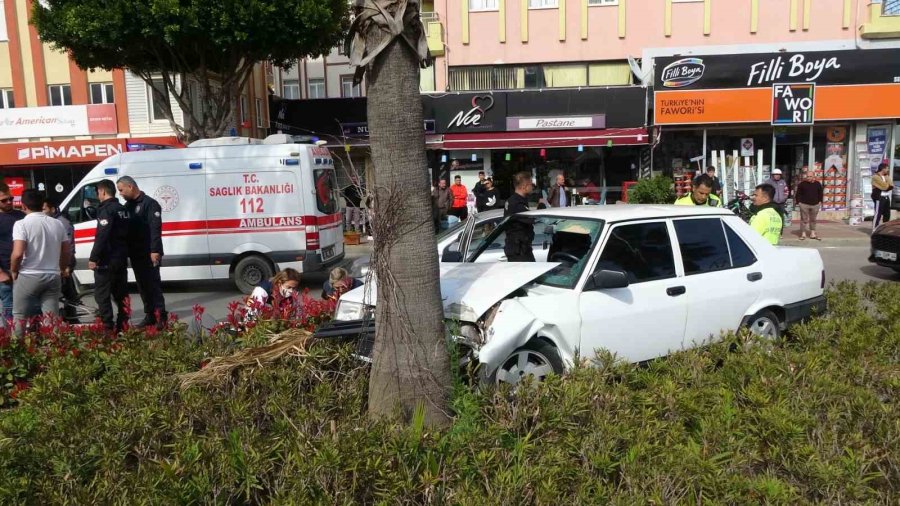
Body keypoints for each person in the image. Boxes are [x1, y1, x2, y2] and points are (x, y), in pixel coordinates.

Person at [9, 190, 69, 336]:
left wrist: (14, 270)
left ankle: (16, 351)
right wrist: (62, 268)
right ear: (42, 204)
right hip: (53, 275)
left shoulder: (21, 224)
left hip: (29, 273)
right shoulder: (57, 224)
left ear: (23, 206)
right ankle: (54, 351)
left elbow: (17, 253)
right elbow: (66, 251)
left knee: (20, 316)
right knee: (51, 318)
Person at [117, 176, 168, 328]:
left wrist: (155, 250)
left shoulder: (150, 204)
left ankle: (161, 317)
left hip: (149, 253)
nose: (120, 193)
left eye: (121, 190)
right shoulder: (128, 206)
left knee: (153, 285)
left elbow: (155, 229)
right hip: (136, 253)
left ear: (130, 187)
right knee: (142, 286)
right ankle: (150, 315)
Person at [88, 180, 132, 332]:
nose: (98, 196)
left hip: (107, 259)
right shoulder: (123, 209)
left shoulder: (107, 210)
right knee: (121, 294)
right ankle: (123, 325)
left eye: (98, 193)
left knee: (102, 295)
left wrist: (93, 258)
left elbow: (102, 235)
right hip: (121, 258)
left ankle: (107, 327)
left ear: (103, 192)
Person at [42, 197, 80, 319]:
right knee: (66, 290)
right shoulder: (51, 222)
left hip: (65, 261)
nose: (42, 212)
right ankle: (70, 314)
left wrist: (67, 266)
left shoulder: (62, 223)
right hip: (57, 261)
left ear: (52, 209)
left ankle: (72, 316)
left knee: (67, 290)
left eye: (44, 209)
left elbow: (68, 246)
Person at [0, 183, 25, 326]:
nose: (9, 202)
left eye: (10, 198)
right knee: (9, 308)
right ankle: (11, 342)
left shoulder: (20, 215)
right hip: (5, 270)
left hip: (24, 269)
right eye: (4, 200)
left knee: (29, 308)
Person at [504, 172, 536, 262]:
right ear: (524, 186)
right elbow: (531, 219)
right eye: (531, 184)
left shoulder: (513, 200)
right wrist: (541, 210)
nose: (532, 187)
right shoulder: (517, 203)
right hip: (519, 251)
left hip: (521, 249)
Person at [795, 169, 824, 240]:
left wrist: (820, 201)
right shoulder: (802, 184)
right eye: (807, 176)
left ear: (814, 176)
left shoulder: (817, 184)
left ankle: (812, 233)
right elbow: (798, 194)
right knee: (804, 220)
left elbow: (820, 193)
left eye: (810, 176)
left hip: (815, 205)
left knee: (813, 219)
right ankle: (803, 233)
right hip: (804, 204)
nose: (809, 178)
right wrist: (799, 202)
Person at [763, 168, 789, 233]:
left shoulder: (782, 182)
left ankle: (780, 232)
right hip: (772, 203)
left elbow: (786, 191)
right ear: (772, 175)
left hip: (781, 203)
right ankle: (771, 230)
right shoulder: (768, 182)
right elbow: (765, 192)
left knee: (780, 217)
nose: (777, 176)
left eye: (779, 175)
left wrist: (784, 198)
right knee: (771, 217)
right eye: (776, 174)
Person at [872, 162, 893, 228]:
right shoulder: (875, 177)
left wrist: (887, 179)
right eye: (887, 168)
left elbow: (891, 185)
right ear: (882, 169)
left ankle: (885, 229)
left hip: (886, 197)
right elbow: (885, 187)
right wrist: (888, 186)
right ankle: (874, 229)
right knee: (878, 214)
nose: (888, 170)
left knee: (887, 214)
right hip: (879, 197)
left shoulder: (886, 176)